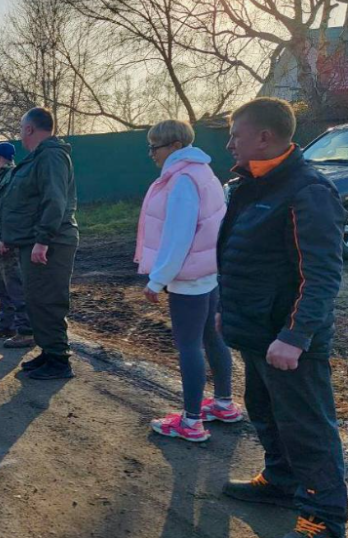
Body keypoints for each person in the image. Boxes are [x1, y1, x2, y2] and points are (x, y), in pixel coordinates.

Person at [218, 98, 346, 538]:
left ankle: (324, 515)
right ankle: (280, 480)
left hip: (288, 340)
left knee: (307, 426)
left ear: (264, 137)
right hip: (257, 331)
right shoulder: (251, 185)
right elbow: (239, 258)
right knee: (265, 410)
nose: (230, 142)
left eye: (236, 134)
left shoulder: (307, 190)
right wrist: (227, 312)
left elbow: (324, 273)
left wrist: (296, 335)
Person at [135, 120, 239, 443]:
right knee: (211, 336)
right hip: (207, 272)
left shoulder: (181, 180)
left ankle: (191, 422)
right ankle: (223, 402)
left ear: (175, 147)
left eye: (156, 146)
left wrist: (157, 279)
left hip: (188, 276)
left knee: (188, 344)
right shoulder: (203, 172)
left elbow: (178, 236)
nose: (151, 154)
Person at [0, 107, 79, 380]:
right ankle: (49, 352)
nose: (20, 133)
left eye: (22, 128)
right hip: (34, 242)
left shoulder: (52, 156)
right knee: (36, 300)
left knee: (49, 300)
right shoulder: (39, 157)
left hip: (51, 243)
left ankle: (59, 360)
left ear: (30, 129)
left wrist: (43, 240)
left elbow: (54, 201)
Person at [0, 142, 34, 348]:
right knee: (2, 287)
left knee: (15, 287)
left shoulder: (11, 179)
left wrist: (8, 238)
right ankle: (7, 325)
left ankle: (26, 331)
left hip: (6, 245)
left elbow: (14, 213)